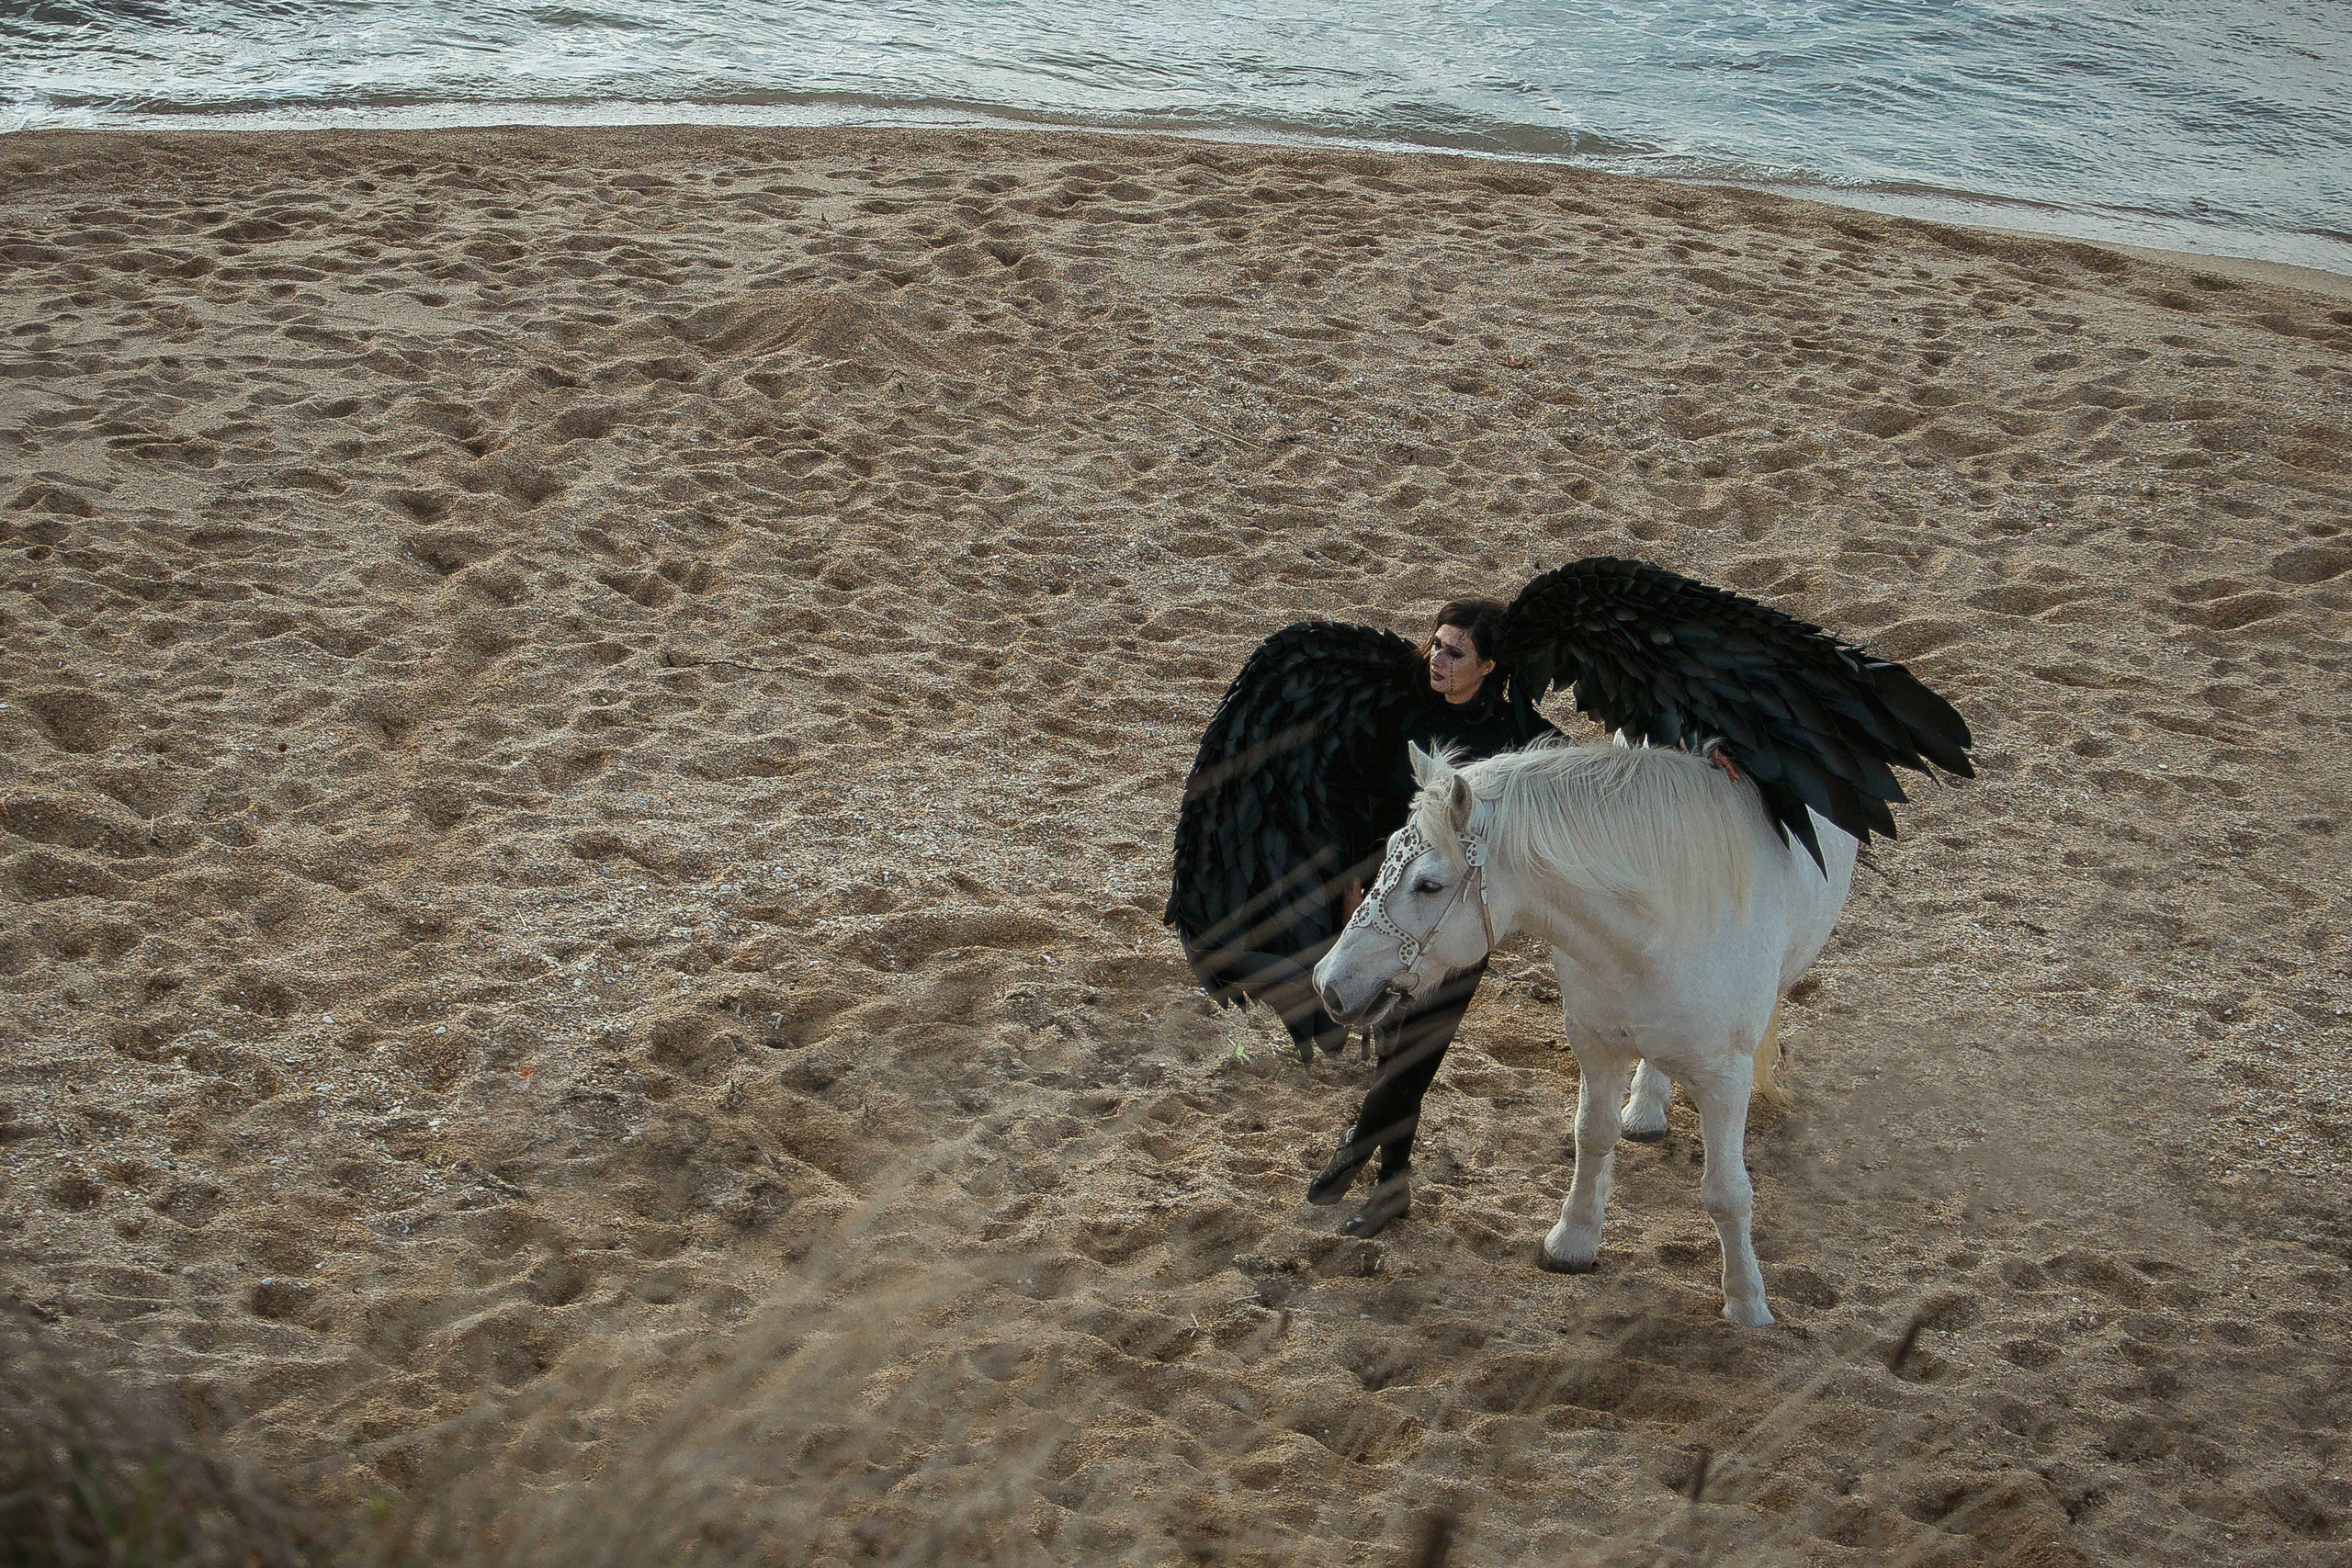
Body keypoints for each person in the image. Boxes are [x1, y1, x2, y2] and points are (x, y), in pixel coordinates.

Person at [1306, 595, 1558, 1238]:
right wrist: (1353, 879)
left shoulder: (1517, 737)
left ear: (1488, 665)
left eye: (1454, 651)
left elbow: (1585, 772)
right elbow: (1357, 790)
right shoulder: (1406, 709)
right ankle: (1392, 1187)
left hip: (1454, 917)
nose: (1437, 659)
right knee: (1394, 1046)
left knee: (1416, 1052)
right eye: (1435, 644)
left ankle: (1357, 1149)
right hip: (1385, 898)